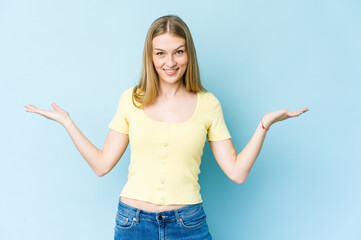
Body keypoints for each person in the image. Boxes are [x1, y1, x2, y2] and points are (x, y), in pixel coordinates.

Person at [24, 14, 309, 240]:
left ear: (189, 54)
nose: (170, 62)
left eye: (178, 52)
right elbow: (101, 164)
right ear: (150, 56)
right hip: (132, 224)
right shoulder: (130, 100)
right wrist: (67, 122)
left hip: (189, 224)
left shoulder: (208, 104)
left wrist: (264, 125)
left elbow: (236, 172)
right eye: (160, 53)